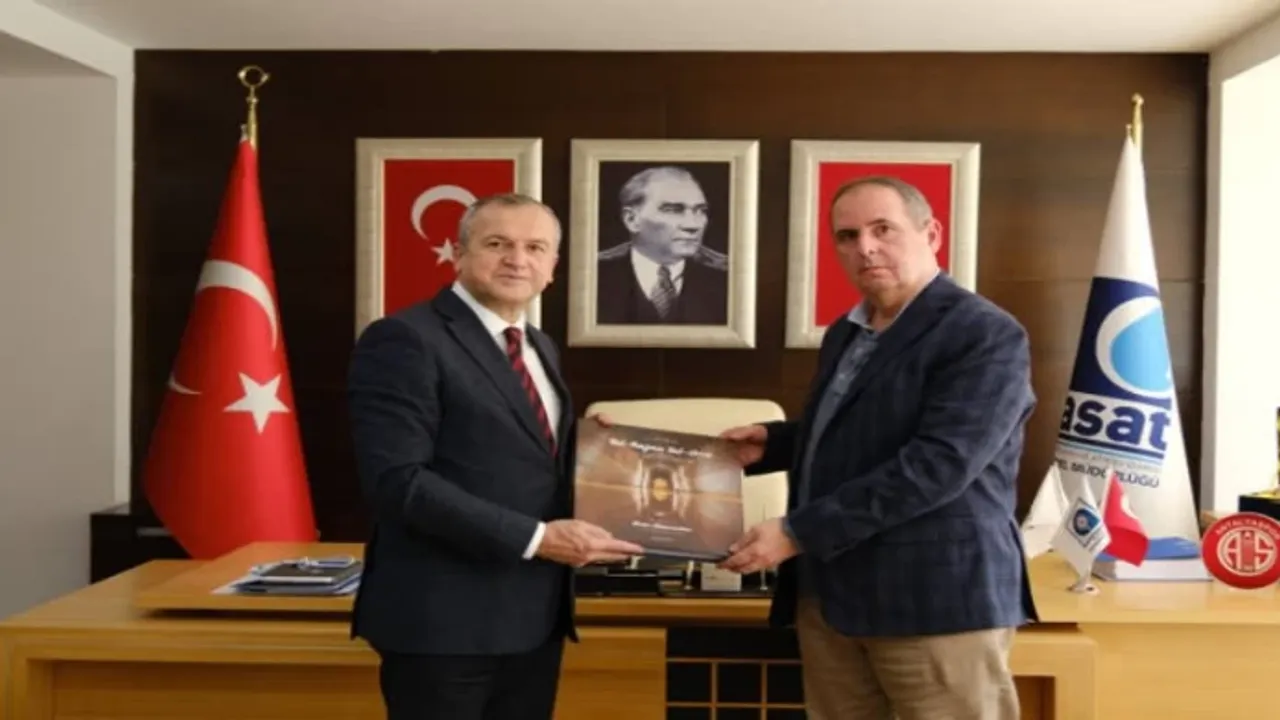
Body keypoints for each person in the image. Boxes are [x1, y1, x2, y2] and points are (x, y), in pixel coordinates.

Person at [717, 176, 1038, 720]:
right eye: (847, 236)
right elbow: (868, 430)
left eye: (882, 229)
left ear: (931, 233)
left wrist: (797, 532)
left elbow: (938, 465)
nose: (864, 247)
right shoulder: (847, 333)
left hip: (933, 602)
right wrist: (775, 444)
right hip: (833, 598)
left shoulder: (983, 333)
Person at [347, 192, 644, 720]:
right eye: (497, 244)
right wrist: (538, 538)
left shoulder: (538, 346)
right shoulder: (404, 339)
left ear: (553, 267)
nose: (517, 259)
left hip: (532, 618)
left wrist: (592, 451)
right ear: (460, 253)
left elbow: (517, 455)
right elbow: (399, 481)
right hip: (443, 624)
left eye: (535, 247)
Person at [596, 165, 729, 325]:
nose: (693, 225)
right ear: (632, 220)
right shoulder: (591, 275)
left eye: (701, 211)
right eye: (673, 210)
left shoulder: (730, 277)